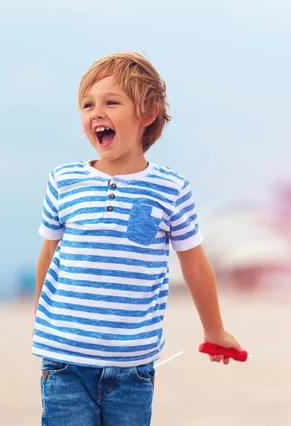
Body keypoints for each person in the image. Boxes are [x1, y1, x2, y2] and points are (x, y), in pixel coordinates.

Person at [32, 51, 243, 426]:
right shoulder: (64, 181)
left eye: (112, 102)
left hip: (133, 368)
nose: (96, 112)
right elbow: (49, 251)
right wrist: (42, 320)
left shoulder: (171, 189)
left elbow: (194, 264)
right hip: (65, 361)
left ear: (148, 114)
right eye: (87, 104)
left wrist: (214, 330)